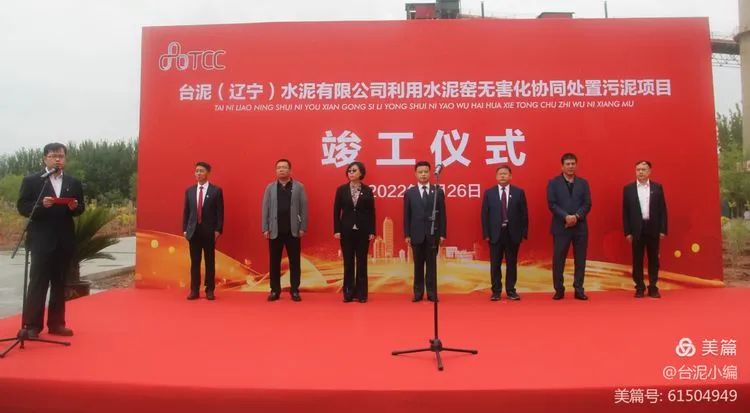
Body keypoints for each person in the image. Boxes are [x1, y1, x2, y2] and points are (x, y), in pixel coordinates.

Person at [17, 142, 84, 337]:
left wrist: (75, 207)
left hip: (64, 239)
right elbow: (23, 207)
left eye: (61, 156)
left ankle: (56, 324)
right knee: (38, 283)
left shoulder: (73, 182)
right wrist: (40, 205)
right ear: (45, 158)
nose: (57, 159)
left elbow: (81, 208)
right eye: (53, 156)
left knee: (59, 283)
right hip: (41, 239)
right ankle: (32, 326)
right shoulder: (32, 181)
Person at [546, 153, 592, 300]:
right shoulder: (553, 183)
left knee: (580, 259)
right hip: (561, 226)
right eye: (568, 164)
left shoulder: (583, 183)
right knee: (558, 259)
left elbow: (587, 204)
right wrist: (566, 216)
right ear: (562, 166)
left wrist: (576, 216)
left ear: (576, 165)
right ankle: (559, 289)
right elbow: (552, 204)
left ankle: (579, 289)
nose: (570, 166)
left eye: (573, 164)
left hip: (580, 227)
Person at [262, 159, 308, 302]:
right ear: (276, 171)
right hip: (275, 230)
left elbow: (304, 208)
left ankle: (294, 290)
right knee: (274, 262)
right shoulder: (270, 188)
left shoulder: (299, 187)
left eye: (284, 167)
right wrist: (265, 228)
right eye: (279, 168)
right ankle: (275, 290)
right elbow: (265, 208)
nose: (281, 170)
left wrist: (303, 227)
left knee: (295, 262)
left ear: (290, 170)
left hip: (293, 230)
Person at [481, 165, 529, 301]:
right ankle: (496, 291)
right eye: (500, 174)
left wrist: (523, 233)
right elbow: (484, 215)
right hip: (495, 234)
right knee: (495, 264)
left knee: (511, 263)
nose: (502, 176)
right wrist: (486, 233)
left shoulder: (519, 192)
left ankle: (511, 290)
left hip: (512, 233)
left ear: (510, 176)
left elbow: (524, 214)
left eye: (505, 174)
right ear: (496, 177)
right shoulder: (489, 193)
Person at [623, 160, 668, 298]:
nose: (640, 172)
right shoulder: (628, 189)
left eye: (643, 169)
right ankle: (639, 287)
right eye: (638, 169)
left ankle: (653, 287)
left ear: (649, 171)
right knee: (637, 259)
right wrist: (627, 232)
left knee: (654, 259)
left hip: (653, 227)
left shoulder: (657, 187)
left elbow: (663, 210)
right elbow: (625, 212)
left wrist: (663, 229)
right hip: (637, 229)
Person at [403, 161, 446, 302]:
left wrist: (442, 234)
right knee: (418, 266)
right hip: (416, 234)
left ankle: (432, 293)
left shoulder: (438, 191)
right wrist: (407, 234)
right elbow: (407, 215)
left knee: (432, 266)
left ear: (430, 173)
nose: (423, 174)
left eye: (426, 172)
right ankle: (418, 293)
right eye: (420, 172)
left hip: (433, 234)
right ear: (415, 174)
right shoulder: (410, 193)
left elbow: (442, 215)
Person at [333, 161, 375, 303]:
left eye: (354, 170)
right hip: (346, 231)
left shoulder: (367, 190)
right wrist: (337, 230)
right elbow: (336, 211)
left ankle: (362, 294)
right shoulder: (341, 190)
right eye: (349, 171)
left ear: (361, 173)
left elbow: (371, 212)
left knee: (362, 262)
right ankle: (348, 293)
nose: (351, 173)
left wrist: (372, 230)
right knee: (348, 262)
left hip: (363, 231)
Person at [182, 161, 224, 301]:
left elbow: (220, 213)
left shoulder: (216, 191)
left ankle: (209, 289)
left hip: (209, 232)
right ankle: (194, 290)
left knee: (209, 261)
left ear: (208, 173)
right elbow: (186, 212)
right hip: (193, 232)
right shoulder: (190, 191)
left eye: (201, 171)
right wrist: (185, 229)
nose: (198, 173)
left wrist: (218, 230)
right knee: (195, 262)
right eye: (197, 171)